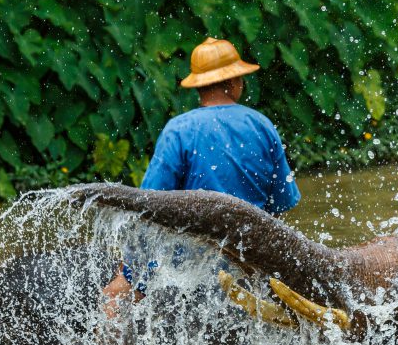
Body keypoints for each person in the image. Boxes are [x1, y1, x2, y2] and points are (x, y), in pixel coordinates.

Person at [102, 37, 301, 317]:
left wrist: (130, 266)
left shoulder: (179, 130)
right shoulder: (262, 126)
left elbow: (149, 205)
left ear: (199, 87)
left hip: (188, 264)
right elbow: (281, 204)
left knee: (114, 297)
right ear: (234, 83)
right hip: (251, 258)